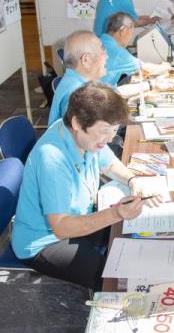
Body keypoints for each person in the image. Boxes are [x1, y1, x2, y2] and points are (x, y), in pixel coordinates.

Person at [12, 83, 161, 290]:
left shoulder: (82, 135)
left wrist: (132, 180)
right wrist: (117, 214)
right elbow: (62, 227)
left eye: (115, 130)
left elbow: (108, 162)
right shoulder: (52, 158)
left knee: (138, 238)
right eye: (105, 131)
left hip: (78, 218)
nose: (110, 138)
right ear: (77, 122)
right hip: (45, 240)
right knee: (116, 278)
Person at [48, 30, 107, 127]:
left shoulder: (75, 80)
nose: (107, 56)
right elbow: (84, 138)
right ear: (86, 60)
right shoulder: (78, 94)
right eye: (102, 50)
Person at [100, 12, 171, 87]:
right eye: (131, 33)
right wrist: (166, 66)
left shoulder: (100, 40)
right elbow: (148, 69)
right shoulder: (118, 52)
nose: (130, 38)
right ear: (123, 30)